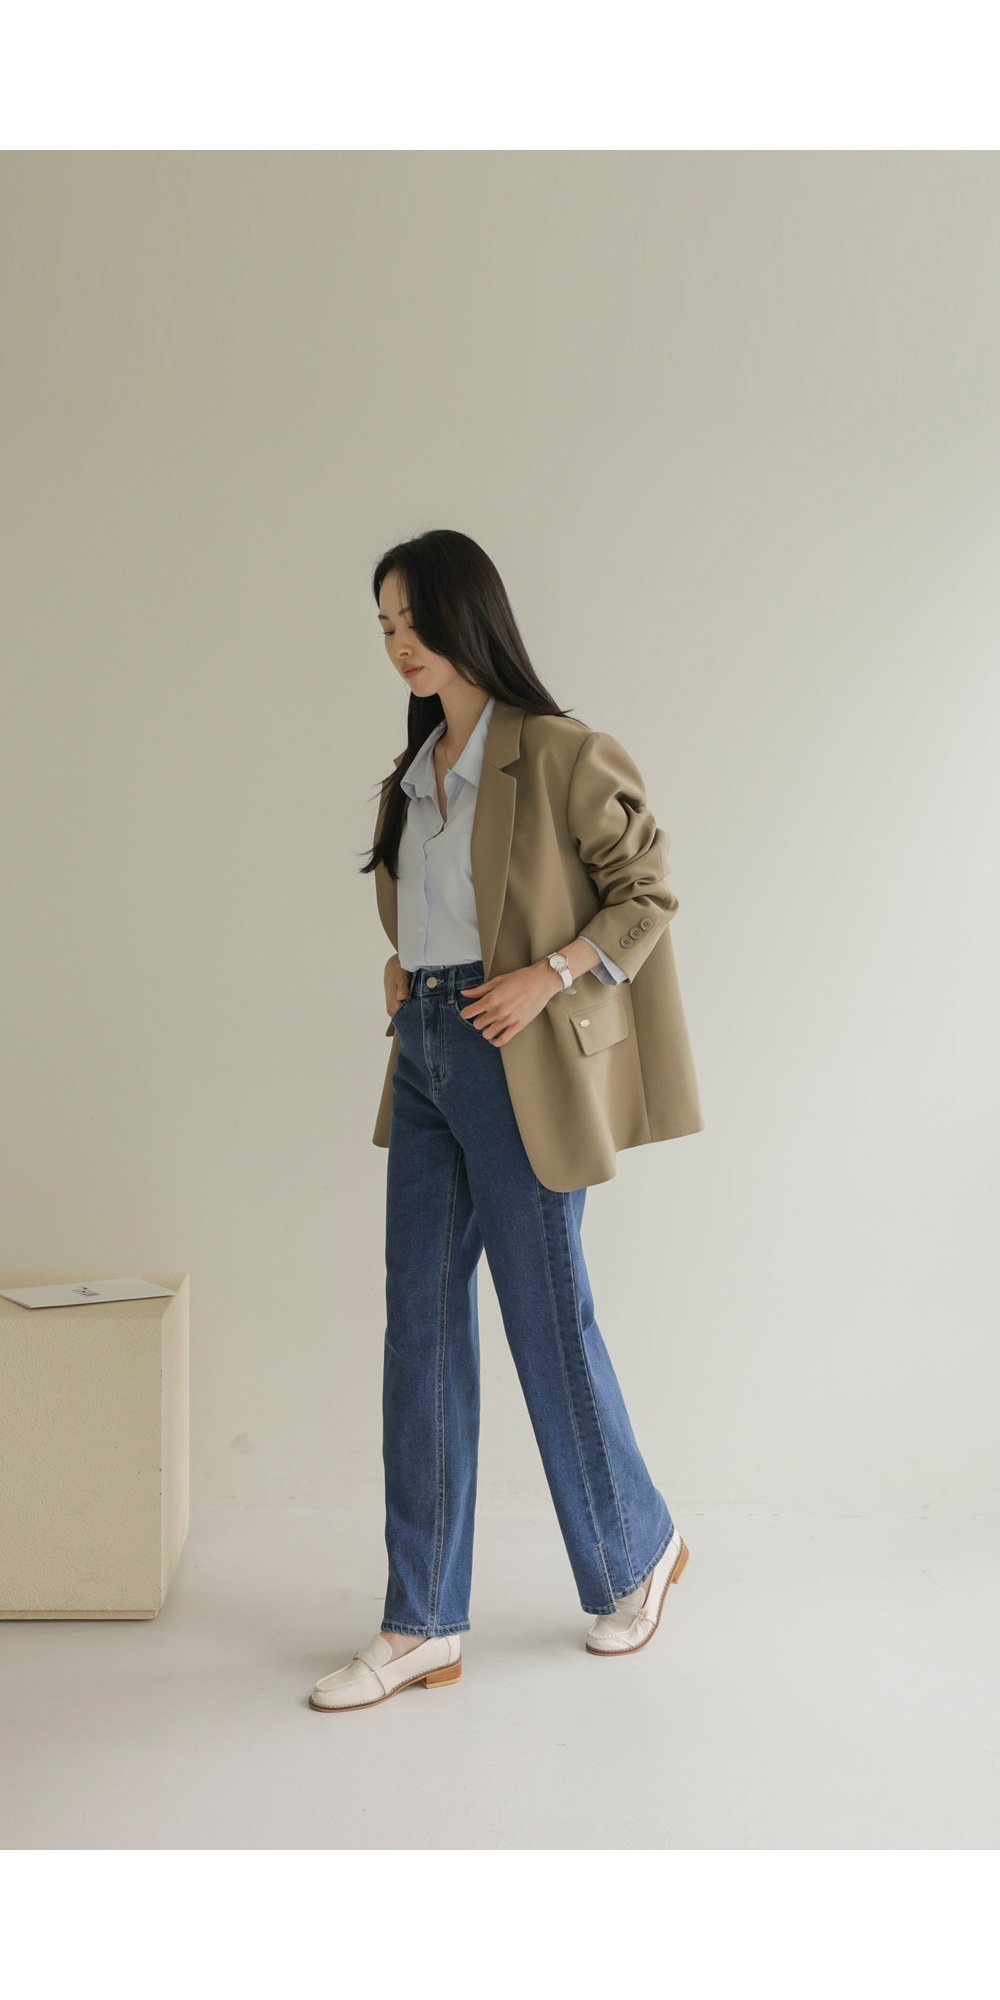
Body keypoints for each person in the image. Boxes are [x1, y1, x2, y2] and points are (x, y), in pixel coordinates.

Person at [310, 530, 704, 1713]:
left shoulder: (560, 751)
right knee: (420, 1329)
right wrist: (402, 966)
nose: (398, 645)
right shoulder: (416, 768)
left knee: (543, 1315)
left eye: (413, 621)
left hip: (515, 1058)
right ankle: (420, 1618)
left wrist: (552, 973)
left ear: (466, 616)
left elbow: (646, 889)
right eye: (384, 627)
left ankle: (635, 1551)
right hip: (426, 1052)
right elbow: (428, 907)